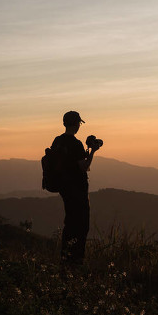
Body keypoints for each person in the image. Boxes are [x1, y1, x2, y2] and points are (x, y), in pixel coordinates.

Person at [51, 110, 100, 264]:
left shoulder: (57, 141)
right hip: (77, 190)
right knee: (81, 226)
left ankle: (65, 257)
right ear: (76, 124)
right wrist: (92, 152)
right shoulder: (76, 143)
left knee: (70, 224)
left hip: (64, 189)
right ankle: (77, 260)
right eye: (79, 123)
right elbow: (83, 167)